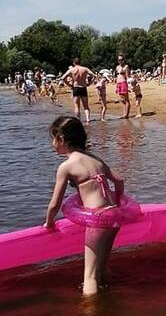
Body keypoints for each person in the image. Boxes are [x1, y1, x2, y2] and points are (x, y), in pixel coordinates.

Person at [44, 117, 131, 296]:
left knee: (89, 276)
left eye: (52, 139)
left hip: (98, 220)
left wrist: (49, 222)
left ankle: (91, 315)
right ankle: (111, 297)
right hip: (114, 215)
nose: (52, 144)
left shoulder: (66, 166)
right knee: (102, 268)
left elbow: (55, 203)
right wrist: (118, 200)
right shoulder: (94, 158)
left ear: (61, 139)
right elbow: (119, 180)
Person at [61, 59, 95, 124]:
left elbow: (63, 78)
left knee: (77, 106)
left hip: (76, 88)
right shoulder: (85, 69)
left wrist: (69, 84)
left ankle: (78, 121)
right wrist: (90, 83)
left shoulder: (72, 69)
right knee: (86, 106)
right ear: (80, 62)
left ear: (74, 63)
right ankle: (88, 120)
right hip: (83, 87)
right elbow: (94, 75)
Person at [115, 54, 131, 119]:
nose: (120, 61)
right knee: (122, 100)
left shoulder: (126, 67)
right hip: (119, 83)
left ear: (124, 60)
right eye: (119, 60)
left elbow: (127, 77)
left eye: (121, 60)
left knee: (126, 99)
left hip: (124, 83)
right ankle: (124, 113)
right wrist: (116, 86)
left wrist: (129, 86)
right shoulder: (117, 67)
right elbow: (117, 76)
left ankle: (126, 115)